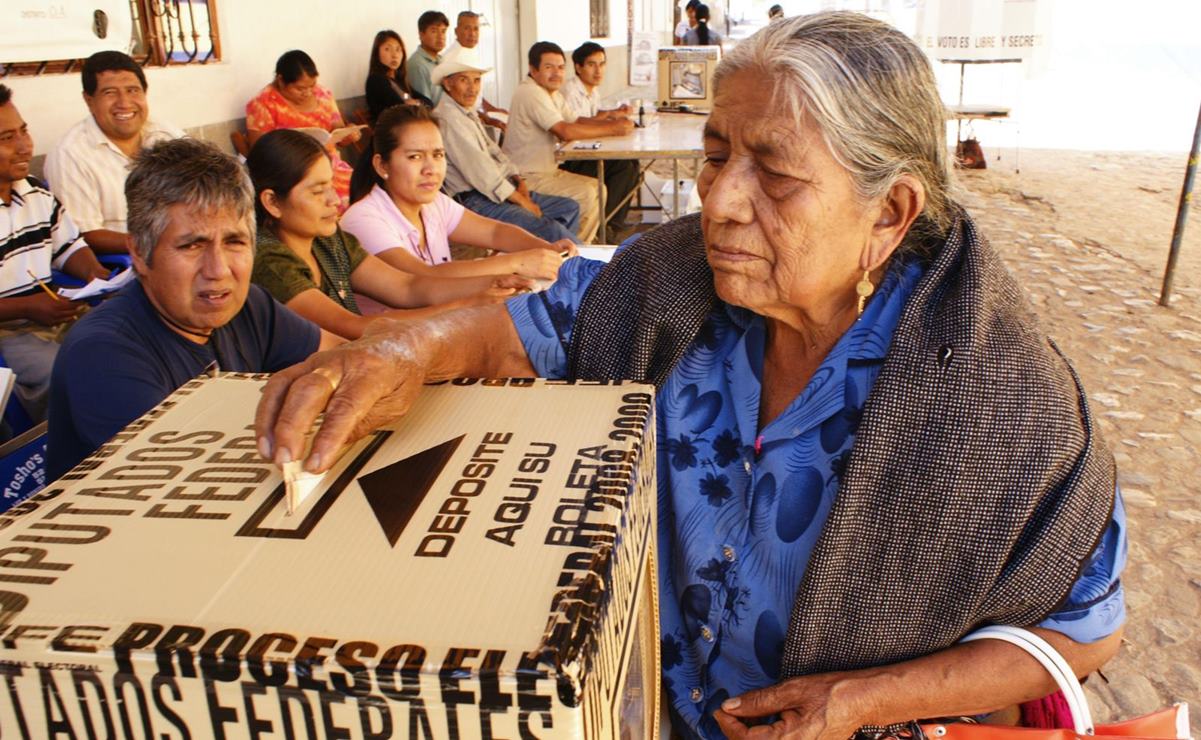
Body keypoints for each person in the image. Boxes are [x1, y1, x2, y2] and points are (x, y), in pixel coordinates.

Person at [255, 12, 1126, 740]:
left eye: (775, 174)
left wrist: (855, 701)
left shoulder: (998, 398)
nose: (719, 199)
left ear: (888, 213)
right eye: (716, 154)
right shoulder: (666, 281)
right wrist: (403, 349)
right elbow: (512, 334)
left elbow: (1084, 627)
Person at [47, 138, 336, 480]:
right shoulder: (104, 353)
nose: (218, 270)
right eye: (192, 245)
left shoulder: (249, 307)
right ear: (140, 253)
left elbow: (341, 358)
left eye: (235, 242)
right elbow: (180, 485)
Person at [247, 129, 529, 340]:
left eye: (331, 185)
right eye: (318, 191)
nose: (335, 200)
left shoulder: (327, 240)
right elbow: (352, 327)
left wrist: (491, 284)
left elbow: (407, 287)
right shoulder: (270, 262)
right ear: (272, 202)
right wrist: (468, 304)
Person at [343, 104, 574, 284]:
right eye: (415, 156)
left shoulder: (433, 204)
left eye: (438, 155)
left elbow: (495, 232)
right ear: (382, 165)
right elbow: (422, 278)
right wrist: (517, 262)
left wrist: (544, 248)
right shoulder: (363, 219)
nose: (430, 169)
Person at [0, 85, 108, 428]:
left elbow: (69, 247)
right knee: (64, 371)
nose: (24, 146)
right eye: (7, 138)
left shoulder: (36, 195)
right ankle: (69, 463)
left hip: (52, 314)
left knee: (122, 344)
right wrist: (29, 307)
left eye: (24, 130)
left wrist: (95, 276)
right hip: (9, 331)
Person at [426, 50, 583, 244]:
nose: (472, 88)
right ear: (448, 84)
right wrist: (521, 200)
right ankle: (579, 265)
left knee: (568, 207)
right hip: (476, 201)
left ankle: (553, 264)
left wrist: (518, 179)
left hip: (497, 190)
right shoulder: (449, 118)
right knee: (549, 228)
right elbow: (481, 172)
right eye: (464, 80)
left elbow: (495, 151)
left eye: (476, 80)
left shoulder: (466, 112)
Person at [43, 51, 183, 254]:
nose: (124, 102)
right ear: (89, 100)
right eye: (110, 93)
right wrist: (155, 244)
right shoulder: (69, 154)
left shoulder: (165, 133)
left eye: (133, 90)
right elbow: (83, 235)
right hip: (127, 261)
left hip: (181, 245)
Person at [503, 42, 634, 243]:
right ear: (533, 69)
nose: (556, 73)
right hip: (527, 176)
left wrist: (613, 120)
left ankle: (583, 246)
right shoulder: (531, 92)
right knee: (587, 195)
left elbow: (576, 120)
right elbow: (565, 131)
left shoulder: (550, 92)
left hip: (547, 171)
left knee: (598, 187)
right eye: (549, 67)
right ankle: (570, 253)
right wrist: (614, 128)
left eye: (561, 67)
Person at [245, 50, 364, 212]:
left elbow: (337, 131)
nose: (308, 93)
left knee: (363, 191)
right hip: (294, 173)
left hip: (331, 167)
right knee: (334, 202)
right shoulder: (263, 103)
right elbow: (261, 152)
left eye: (312, 86)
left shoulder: (323, 95)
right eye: (300, 88)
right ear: (280, 81)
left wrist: (347, 134)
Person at [561, 42, 641, 229]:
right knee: (623, 166)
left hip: (587, 150)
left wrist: (612, 114)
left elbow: (592, 118)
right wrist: (611, 124)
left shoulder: (593, 90)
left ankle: (614, 221)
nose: (598, 70)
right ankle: (606, 226)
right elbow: (577, 124)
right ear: (578, 67)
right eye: (591, 64)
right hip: (570, 158)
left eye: (602, 64)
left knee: (632, 162)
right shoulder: (570, 91)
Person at [443, 11, 508, 131]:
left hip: (476, 113)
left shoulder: (471, 51)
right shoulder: (452, 58)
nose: (472, 34)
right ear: (456, 31)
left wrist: (492, 109)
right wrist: (487, 118)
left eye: (476, 29)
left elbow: (476, 92)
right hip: (460, 119)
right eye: (467, 28)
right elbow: (456, 99)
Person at [364, 30, 429, 123]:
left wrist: (416, 102)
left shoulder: (399, 80)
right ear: (377, 54)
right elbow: (402, 108)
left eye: (398, 50)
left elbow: (429, 102)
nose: (394, 55)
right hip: (391, 132)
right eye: (387, 49)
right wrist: (415, 103)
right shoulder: (376, 80)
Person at [406, 11, 450, 107]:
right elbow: (425, 107)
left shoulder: (442, 60)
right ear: (421, 35)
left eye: (443, 31)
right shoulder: (417, 65)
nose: (440, 36)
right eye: (434, 31)